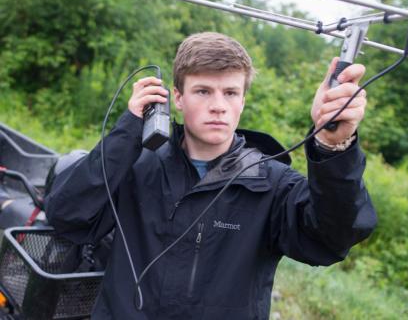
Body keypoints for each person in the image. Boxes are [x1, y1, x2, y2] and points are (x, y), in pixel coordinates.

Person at [45, 32, 376, 320]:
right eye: (203, 91)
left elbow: (332, 239)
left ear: (243, 101)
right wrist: (129, 130)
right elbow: (68, 217)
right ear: (177, 98)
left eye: (230, 93)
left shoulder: (272, 184)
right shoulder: (136, 164)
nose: (218, 106)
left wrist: (333, 147)